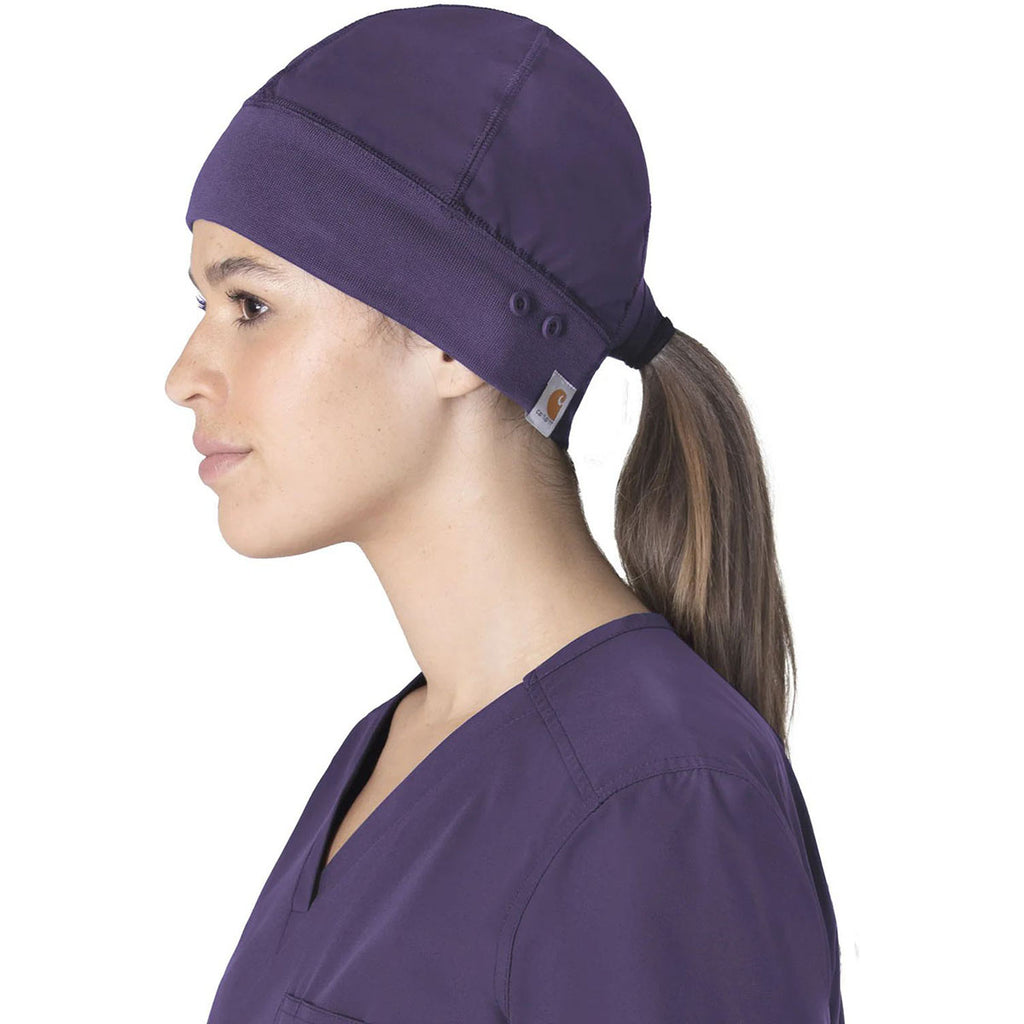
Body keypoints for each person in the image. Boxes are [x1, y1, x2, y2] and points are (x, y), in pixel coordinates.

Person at [165, 6, 844, 1023]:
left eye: (249, 306)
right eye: (201, 308)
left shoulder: (654, 799)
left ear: (457, 334)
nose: (184, 375)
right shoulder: (397, 749)